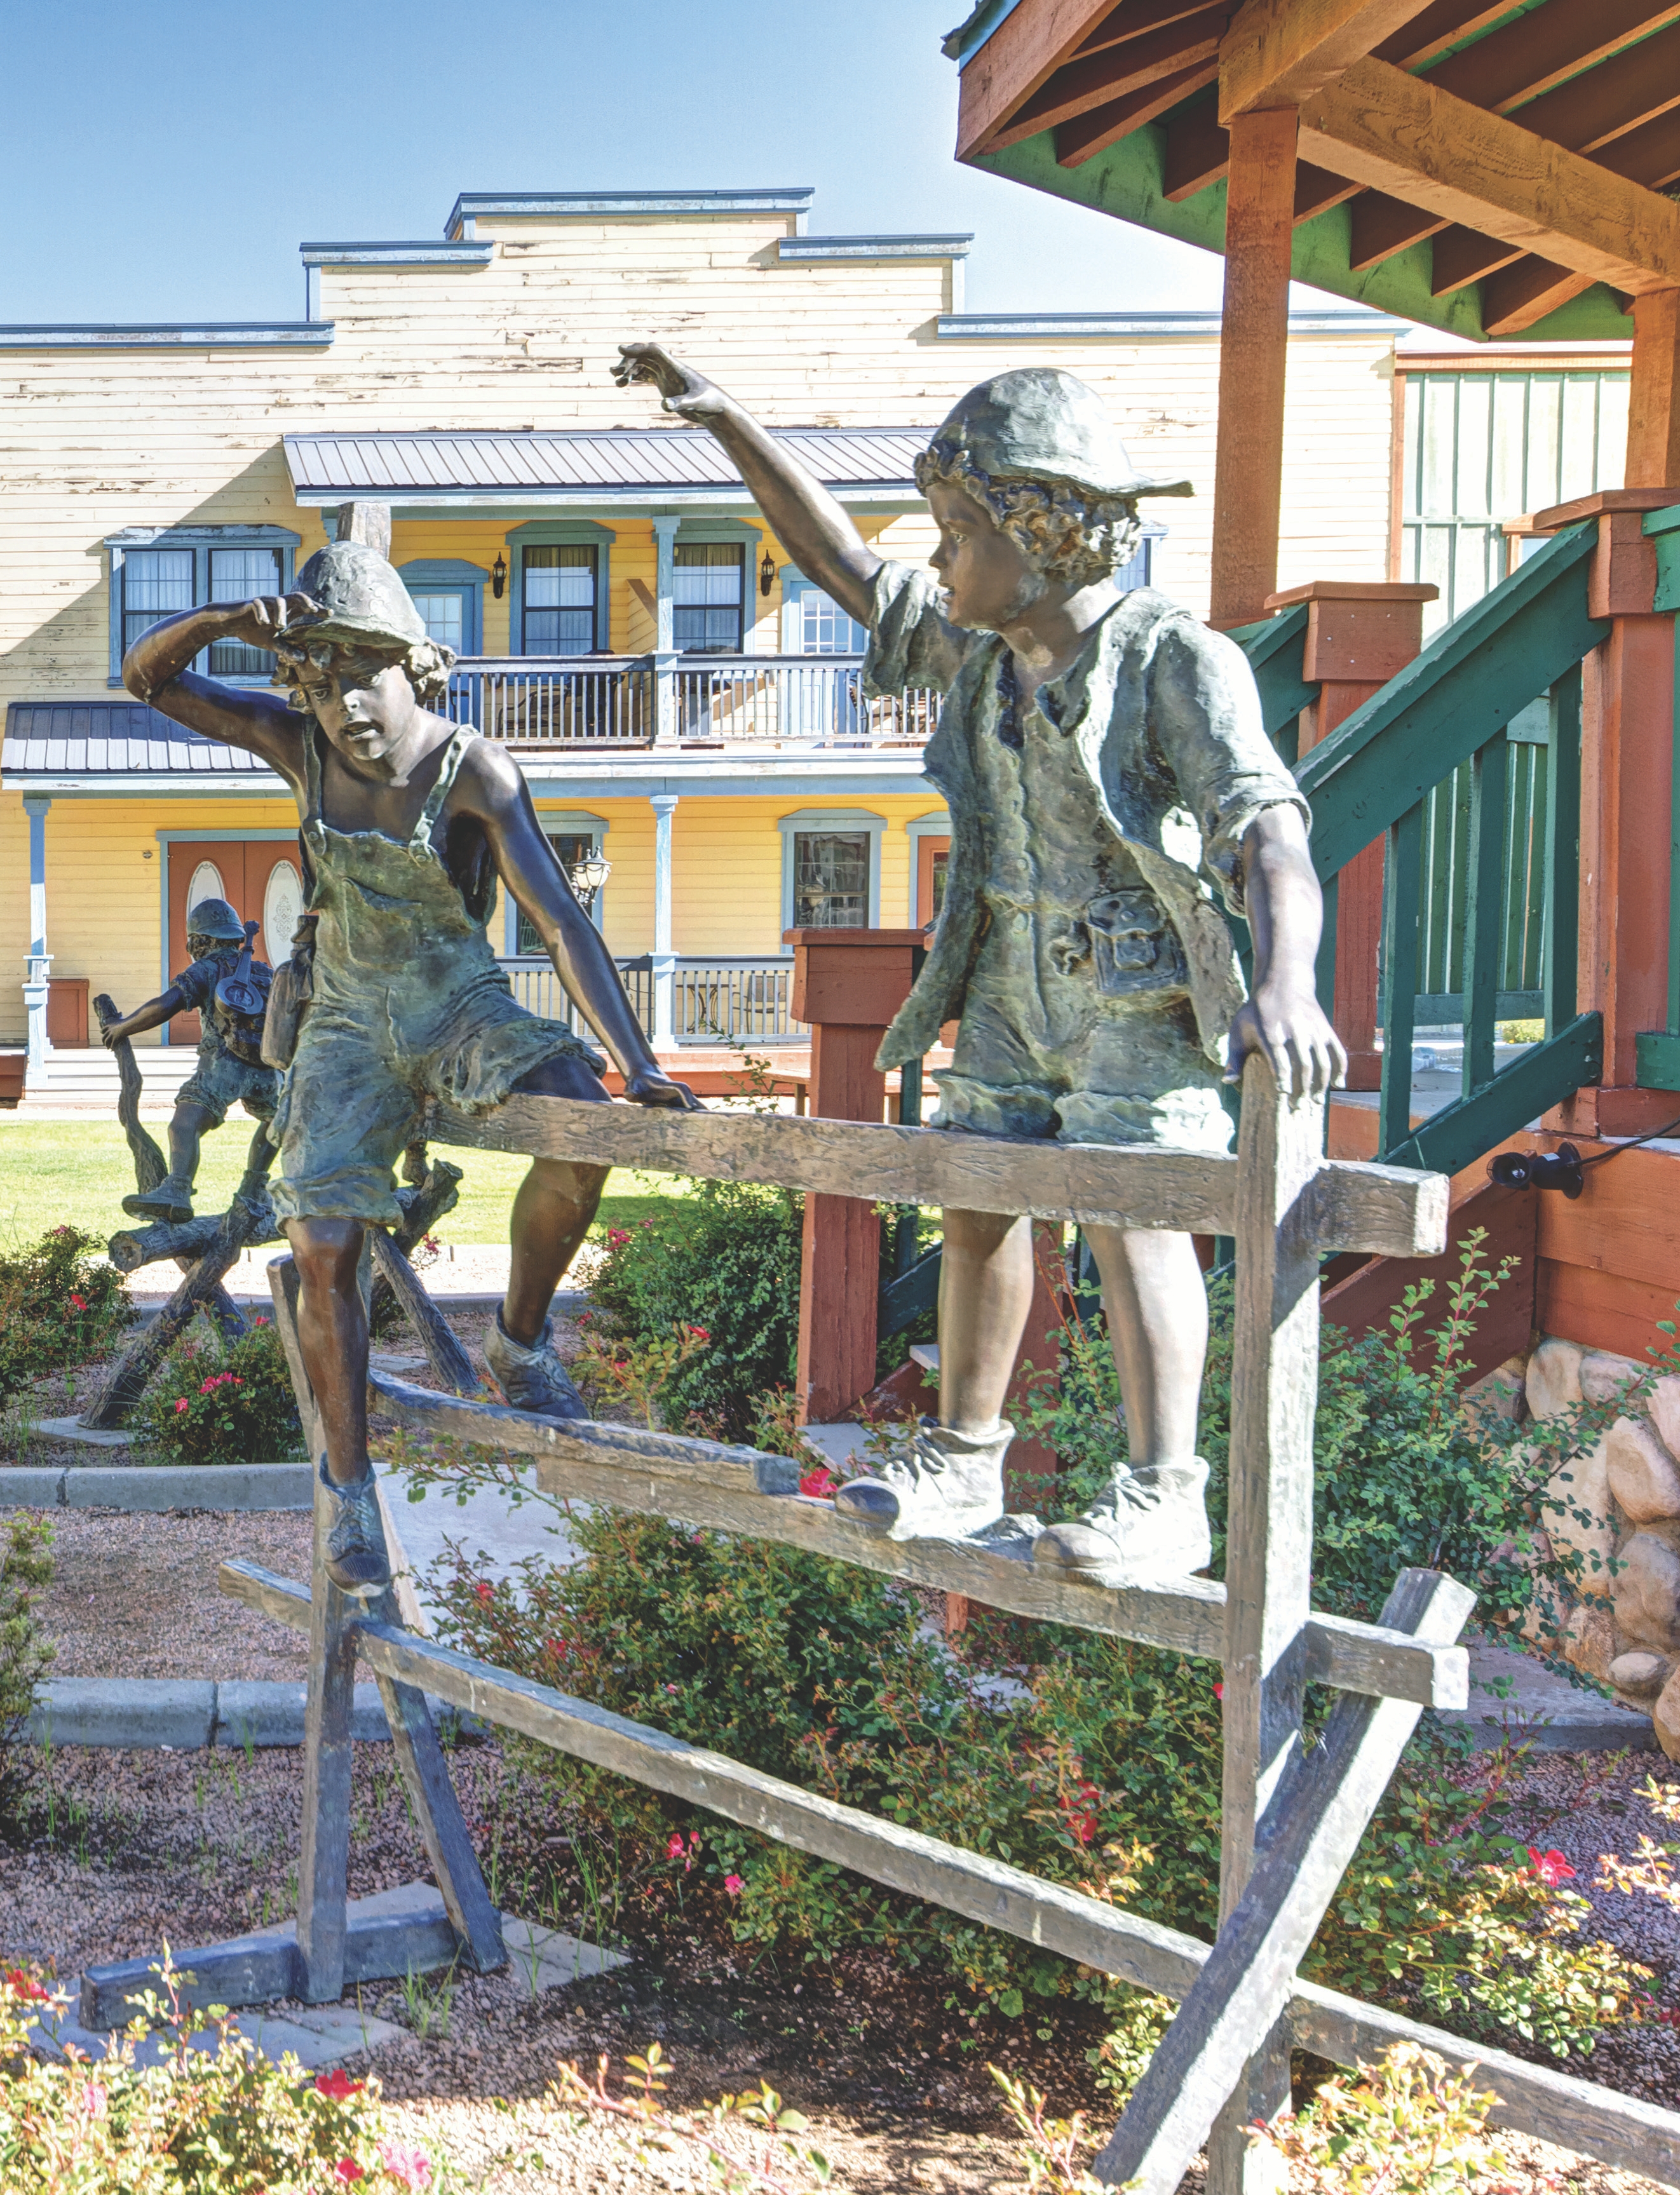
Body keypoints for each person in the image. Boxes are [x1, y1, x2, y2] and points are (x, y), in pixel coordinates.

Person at [612, 346, 1346, 1587]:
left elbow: (1269, 824)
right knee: (976, 1197)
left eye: (956, 533)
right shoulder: (978, 656)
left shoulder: (1172, 655)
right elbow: (842, 562)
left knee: (1137, 1208)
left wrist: (1286, 981)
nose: (939, 561)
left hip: (1131, 985)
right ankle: (965, 1457)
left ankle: (1165, 1494)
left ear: (1043, 529)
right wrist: (733, 423)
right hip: (1004, 980)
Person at [123, 539, 699, 1590]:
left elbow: (559, 918)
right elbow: (147, 678)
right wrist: (222, 622)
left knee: (582, 1135)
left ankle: (520, 1344)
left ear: (417, 668)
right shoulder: (295, 745)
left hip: (458, 1004)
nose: (346, 704)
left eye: (365, 674)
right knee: (324, 1238)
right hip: (346, 1018)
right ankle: (349, 1489)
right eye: (321, 678)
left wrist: (637, 1062)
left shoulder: (473, 768)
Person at [98, 896, 281, 1222]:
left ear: (203, 941)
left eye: (194, 942)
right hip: (267, 1066)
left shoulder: (207, 968)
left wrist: (122, 1027)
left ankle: (177, 1190)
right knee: (273, 1121)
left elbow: (167, 1005)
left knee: (184, 1124)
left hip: (223, 1063)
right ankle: (254, 1187)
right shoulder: (262, 971)